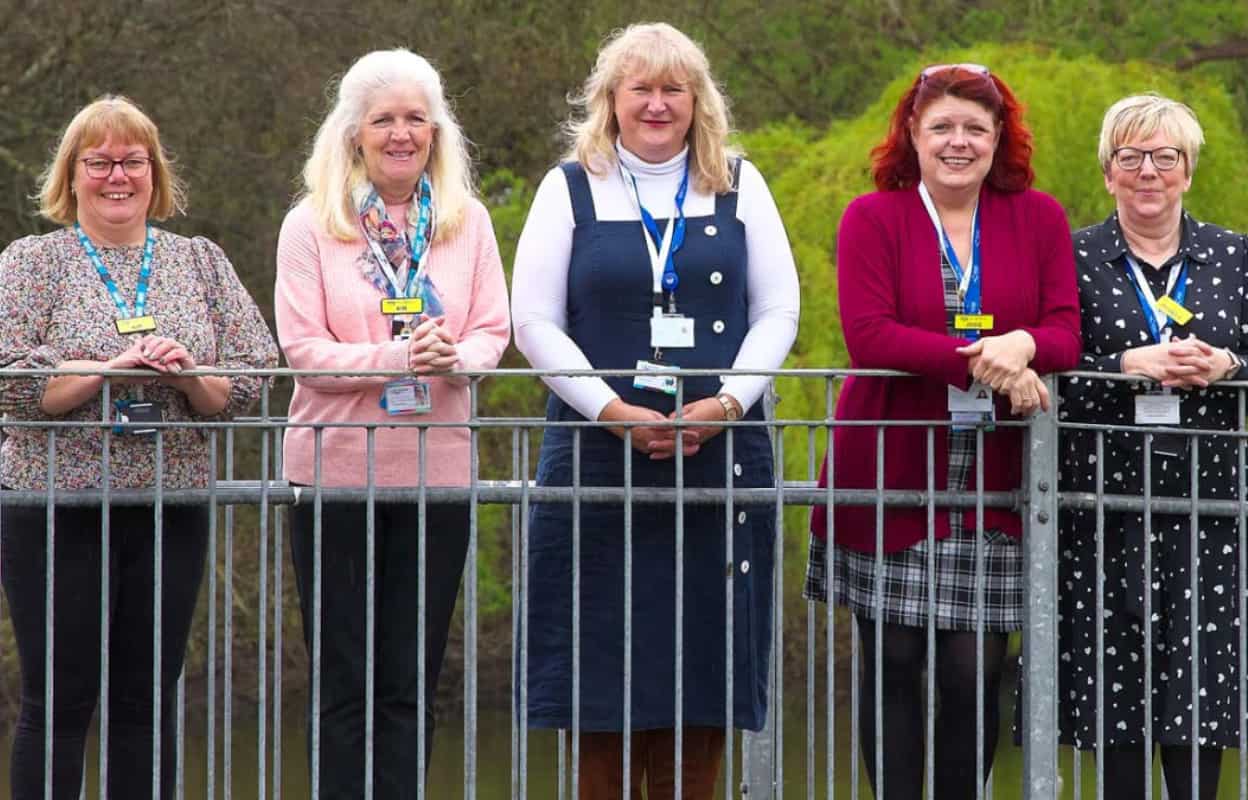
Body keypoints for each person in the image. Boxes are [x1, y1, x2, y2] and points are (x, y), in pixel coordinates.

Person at [511, 22, 799, 799]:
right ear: (610, 99)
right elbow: (532, 321)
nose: (657, 103)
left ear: (699, 100)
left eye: (675, 88)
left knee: (703, 677)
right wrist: (612, 411)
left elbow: (778, 311)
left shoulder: (741, 183)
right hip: (597, 459)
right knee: (596, 682)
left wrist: (729, 403)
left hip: (720, 459)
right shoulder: (567, 186)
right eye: (640, 87)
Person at [806, 65, 1082, 799]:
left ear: (999, 140)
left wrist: (1021, 346)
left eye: (975, 129)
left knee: (975, 668)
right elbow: (869, 336)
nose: (958, 143)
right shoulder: (873, 217)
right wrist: (988, 363)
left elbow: (1065, 331)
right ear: (913, 136)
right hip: (891, 469)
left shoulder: (1039, 218)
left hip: (994, 477)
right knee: (893, 660)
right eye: (943, 128)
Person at [0, 96, 277, 799]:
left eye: (133, 160)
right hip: (55, 506)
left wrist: (189, 374)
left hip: (168, 506)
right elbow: (11, 382)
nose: (116, 176)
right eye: (99, 162)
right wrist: (107, 369)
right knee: (58, 700)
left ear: (155, 173)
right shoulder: (32, 262)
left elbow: (253, 374)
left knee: (146, 701)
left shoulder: (200, 261)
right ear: (73, 174)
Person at [274, 48, 510, 796]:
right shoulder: (310, 226)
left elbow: (493, 331)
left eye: (417, 119)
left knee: (411, 680)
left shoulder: (466, 225)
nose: (401, 133)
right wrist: (399, 357)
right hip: (334, 476)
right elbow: (304, 349)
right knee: (344, 680)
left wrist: (452, 359)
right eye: (384, 120)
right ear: (354, 133)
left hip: (435, 478)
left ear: (438, 132)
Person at [1057, 93, 1248, 800]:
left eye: (1164, 157)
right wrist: (1126, 365)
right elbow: (1051, 375)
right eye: (1130, 157)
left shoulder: (1234, 255)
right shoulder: (1074, 254)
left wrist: (1227, 368)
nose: (1147, 171)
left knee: (1201, 683)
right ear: (1108, 171)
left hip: (1208, 504)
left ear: (1187, 170)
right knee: (1115, 686)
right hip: (1102, 503)